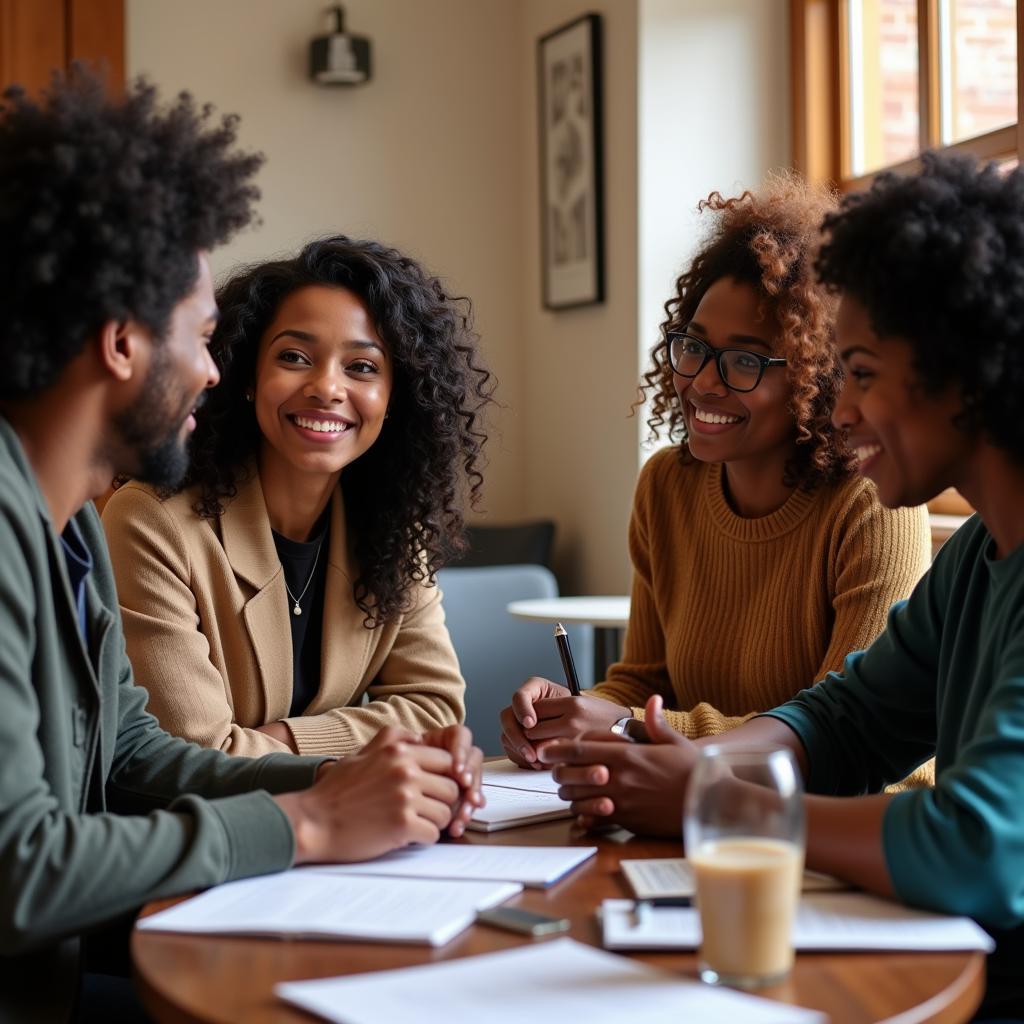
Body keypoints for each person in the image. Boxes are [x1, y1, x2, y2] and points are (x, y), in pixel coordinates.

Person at [0, 70, 481, 1024]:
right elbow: (23, 868)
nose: (216, 371)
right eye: (208, 336)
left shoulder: (63, 540)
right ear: (123, 343)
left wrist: (354, 785)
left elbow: (135, 752)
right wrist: (308, 822)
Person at [541, 151, 1024, 1020]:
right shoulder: (979, 558)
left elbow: (975, 848)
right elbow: (844, 721)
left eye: (863, 375)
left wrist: (709, 793)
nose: (839, 410)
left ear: (968, 375)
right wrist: (688, 760)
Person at [500, 175, 930, 770]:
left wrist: (629, 727)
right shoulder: (666, 486)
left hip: (818, 832)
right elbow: (647, 680)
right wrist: (569, 712)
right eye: (694, 346)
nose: (703, 381)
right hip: (688, 811)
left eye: (746, 361)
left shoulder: (874, 505)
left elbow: (853, 741)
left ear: (818, 378)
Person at [102, 236, 492, 757]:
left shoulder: (394, 528)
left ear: (395, 396)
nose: (327, 387)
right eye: (294, 356)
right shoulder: (154, 522)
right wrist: (361, 751)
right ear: (247, 375)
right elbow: (192, 756)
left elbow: (436, 708)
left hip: (358, 832)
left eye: (362, 367)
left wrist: (282, 739)